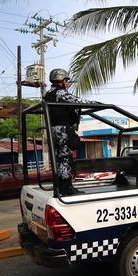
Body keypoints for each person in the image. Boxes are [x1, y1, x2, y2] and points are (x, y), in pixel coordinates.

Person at [44, 68, 100, 196]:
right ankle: (66, 188)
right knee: (65, 159)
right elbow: (77, 101)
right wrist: (98, 104)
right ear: (61, 81)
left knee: (59, 158)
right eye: (66, 80)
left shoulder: (49, 94)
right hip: (62, 130)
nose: (68, 83)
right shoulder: (60, 93)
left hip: (54, 131)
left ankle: (60, 186)